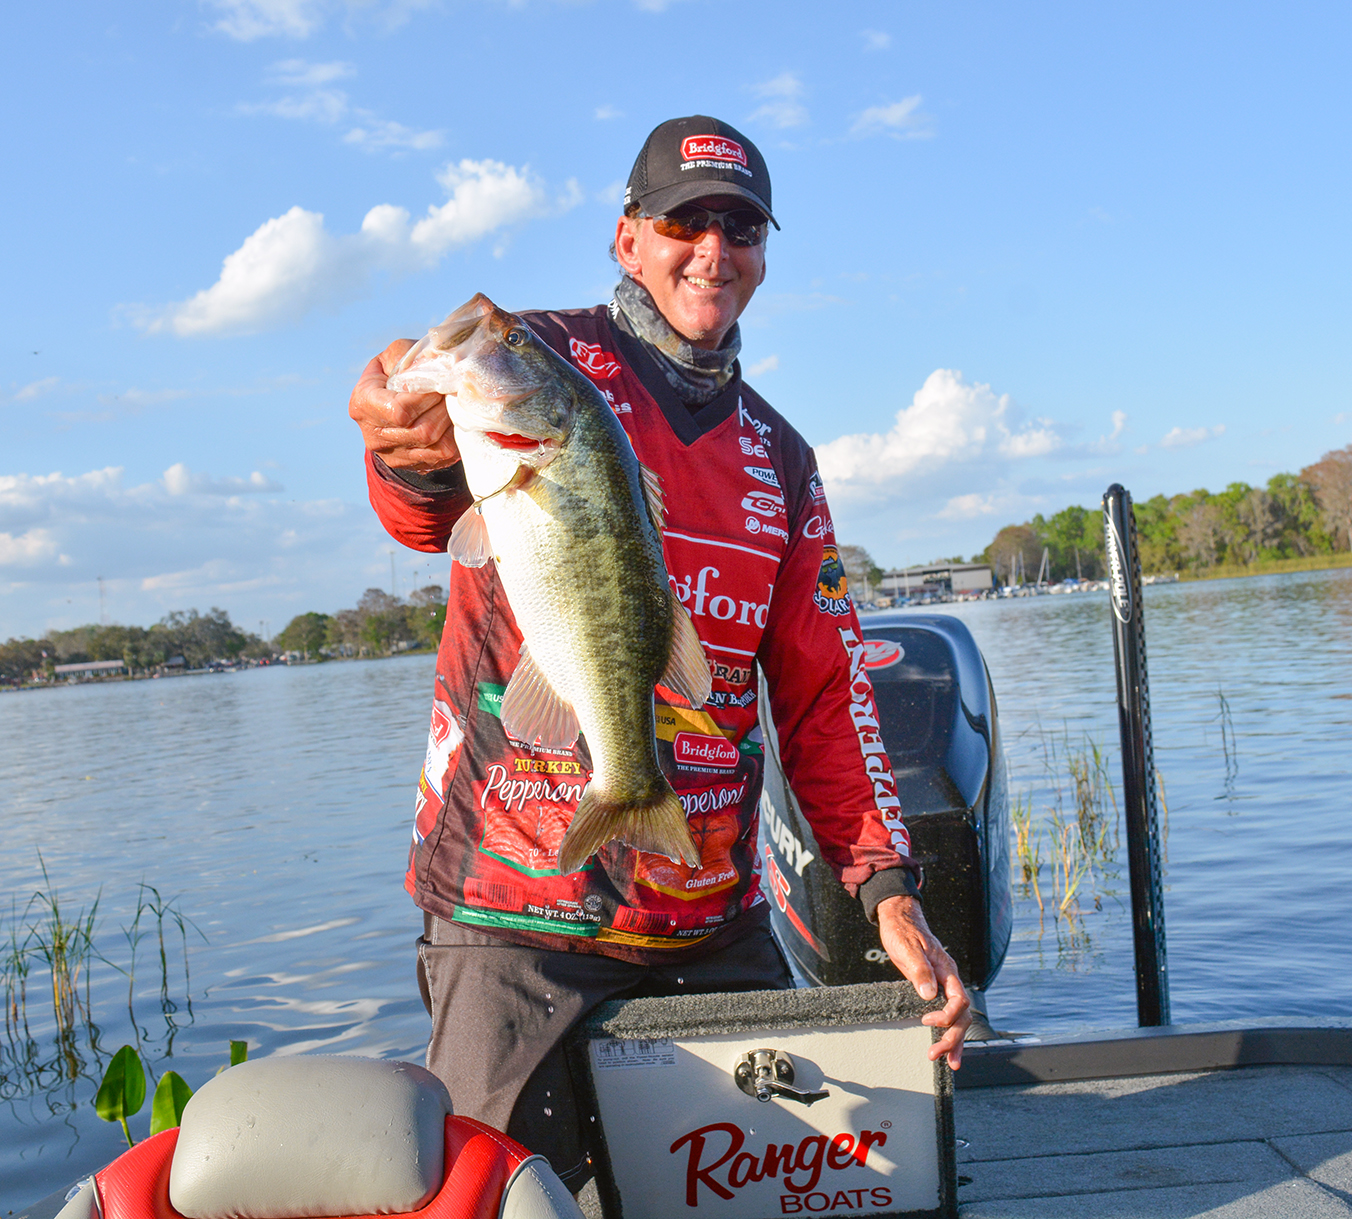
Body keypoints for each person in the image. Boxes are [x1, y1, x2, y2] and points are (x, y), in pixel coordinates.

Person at [348, 116, 970, 1191]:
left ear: (763, 255)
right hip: (513, 913)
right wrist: (401, 449)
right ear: (628, 238)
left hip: (704, 908)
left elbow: (824, 696)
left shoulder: (781, 456)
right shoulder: (540, 358)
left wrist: (887, 892)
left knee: (799, 1182)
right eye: (684, 221)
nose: (711, 251)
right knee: (494, 1198)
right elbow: (421, 505)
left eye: (739, 226)